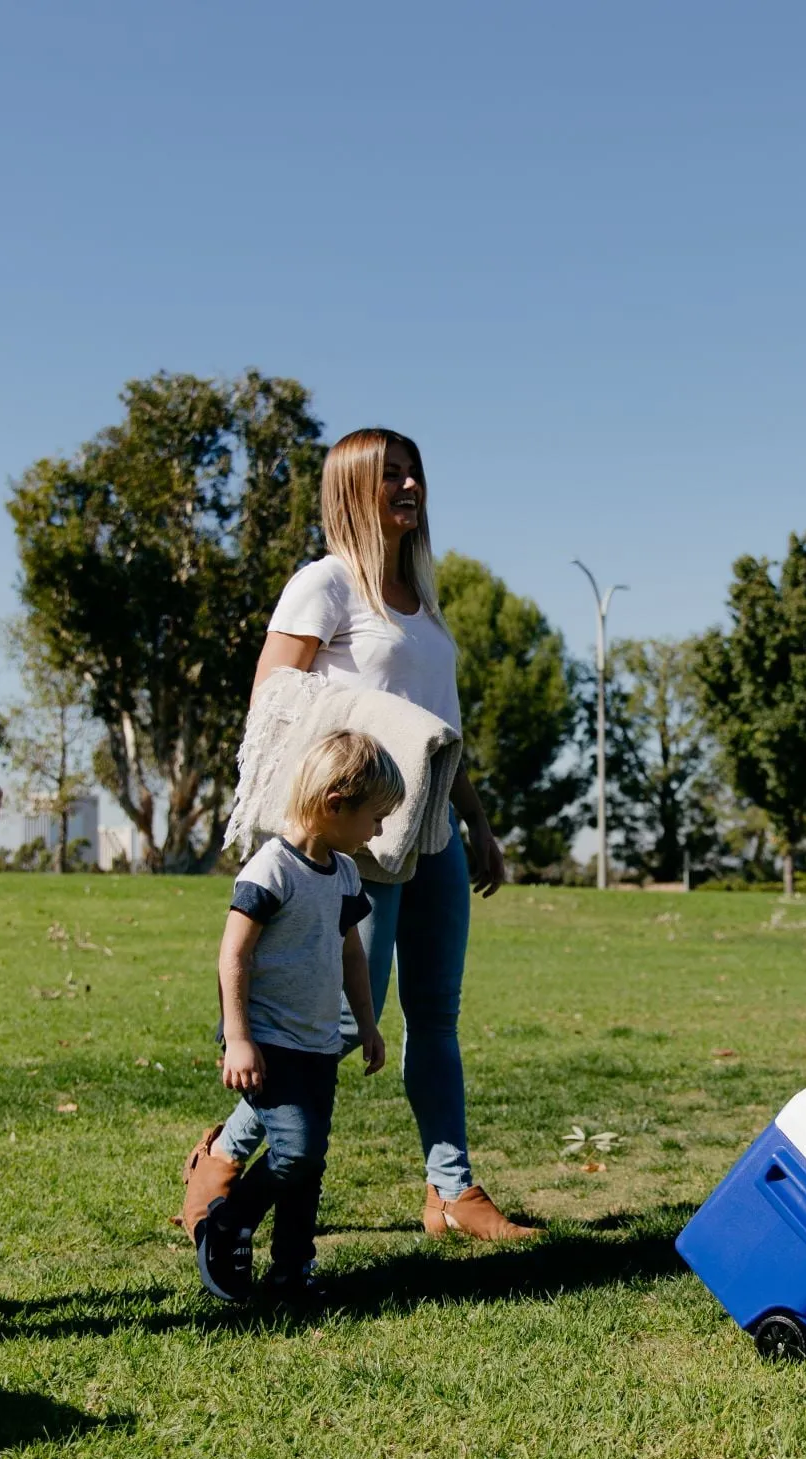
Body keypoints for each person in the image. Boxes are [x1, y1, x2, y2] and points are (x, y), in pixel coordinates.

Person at [183, 429, 538, 1242]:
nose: (408, 485)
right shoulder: (326, 585)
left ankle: (451, 1189)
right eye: (389, 475)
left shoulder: (422, 603)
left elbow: (437, 733)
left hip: (435, 832)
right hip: (359, 841)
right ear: (351, 489)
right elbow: (272, 701)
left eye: (413, 472)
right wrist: (318, 818)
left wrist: (476, 822)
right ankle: (227, 1153)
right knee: (348, 1014)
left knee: (436, 1014)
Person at [197, 730, 399, 1303]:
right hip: (267, 1040)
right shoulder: (272, 869)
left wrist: (366, 1024)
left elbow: (351, 953)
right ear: (336, 804)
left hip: (316, 1043)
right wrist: (238, 1037)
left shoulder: (343, 874)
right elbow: (232, 952)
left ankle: (291, 1272)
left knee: (307, 1166)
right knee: (298, 1150)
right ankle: (228, 1221)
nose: (379, 831)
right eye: (375, 817)